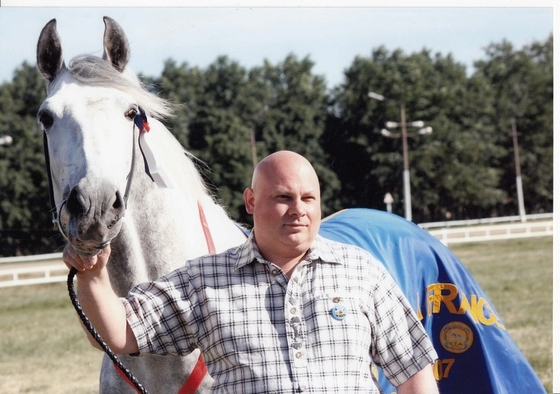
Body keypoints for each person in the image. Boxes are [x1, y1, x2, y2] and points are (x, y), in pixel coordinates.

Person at [63, 150, 439, 393]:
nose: (299, 210)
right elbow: (118, 333)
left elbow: (412, 371)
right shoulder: (203, 282)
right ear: (251, 201)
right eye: (283, 198)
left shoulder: (362, 272)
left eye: (308, 199)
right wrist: (93, 275)